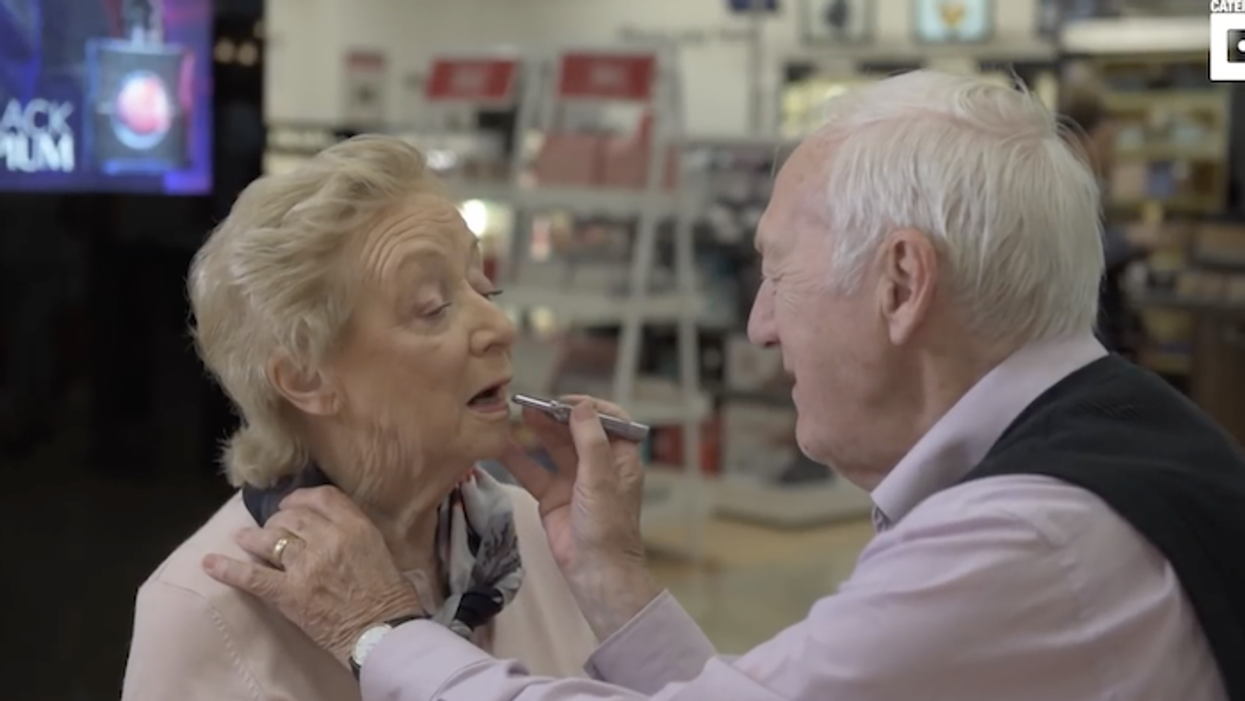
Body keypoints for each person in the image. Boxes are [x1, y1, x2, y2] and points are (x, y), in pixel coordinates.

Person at [204, 71, 1245, 700]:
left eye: (777, 274)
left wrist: (385, 634)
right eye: (433, 306)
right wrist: (610, 575)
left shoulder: (1024, 540)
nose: (759, 324)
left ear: (899, 282)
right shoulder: (1101, 456)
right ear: (303, 375)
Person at [119, 135, 598, 701]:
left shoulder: (535, 534)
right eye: (433, 308)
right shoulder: (204, 611)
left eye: (483, 287)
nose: (501, 327)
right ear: (307, 379)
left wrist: (619, 581)